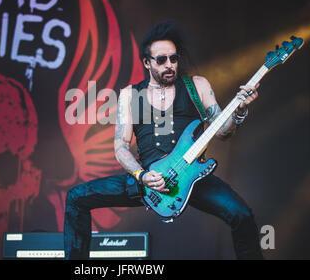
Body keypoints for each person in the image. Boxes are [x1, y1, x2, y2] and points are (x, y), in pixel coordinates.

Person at [63, 21, 263, 259]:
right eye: (161, 60)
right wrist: (141, 175)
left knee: (241, 215)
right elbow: (120, 146)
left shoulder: (196, 86)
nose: (169, 65)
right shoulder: (130, 95)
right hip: (148, 180)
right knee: (76, 198)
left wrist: (239, 111)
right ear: (147, 62)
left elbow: (223, 131)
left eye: (174, 58)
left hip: (191, 178)